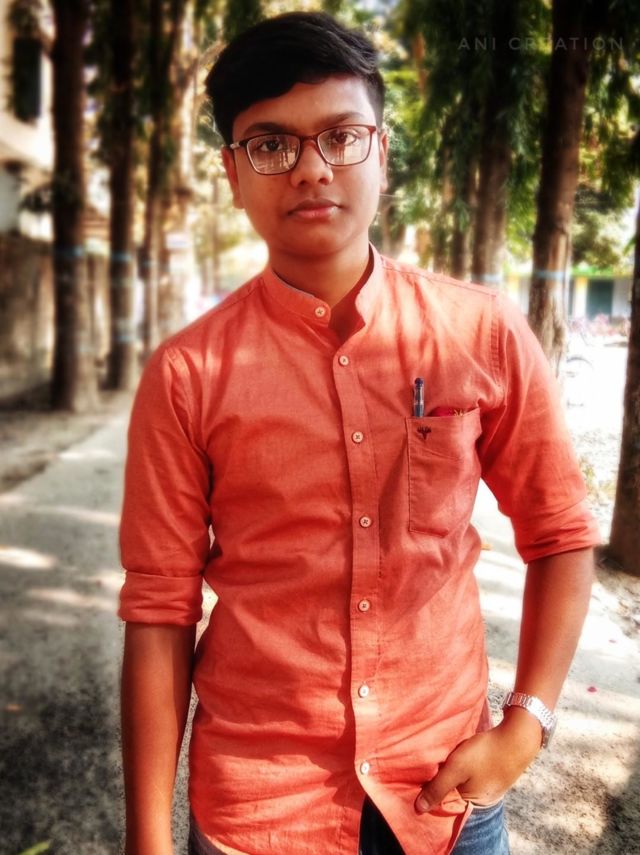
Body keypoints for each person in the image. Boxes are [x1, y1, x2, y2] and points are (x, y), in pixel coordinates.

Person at [118, 12, 599, 855]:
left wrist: (526, 723)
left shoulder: (480, 333)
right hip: (260, 809)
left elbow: (560, 531)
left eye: (341, 136)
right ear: (232, 173)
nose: (311, 168)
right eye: (271, 144)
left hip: (445, 792)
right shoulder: (189, 373)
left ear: (382, 152)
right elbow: (159, 610)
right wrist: (148, 843)